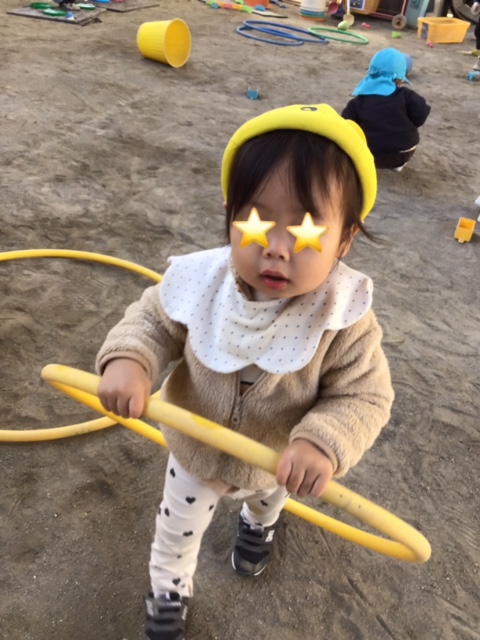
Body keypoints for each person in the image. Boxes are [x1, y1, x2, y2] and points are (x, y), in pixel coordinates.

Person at [95, 103, 395, 640]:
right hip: (195, 449)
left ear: (345, 239)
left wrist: (322, 443)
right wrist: (130, 360)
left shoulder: (343, 318)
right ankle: (168, 590)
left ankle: (259, 526)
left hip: (278, 460)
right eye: (256, 221)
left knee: (266, 500)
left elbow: (365, 396)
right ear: (230, 214)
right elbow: (153, 319)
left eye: (307, 229)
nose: (276, 248)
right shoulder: (202, 281)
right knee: (175, 531)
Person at [342, 48, 431, 171]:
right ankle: (397, 165)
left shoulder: (358, 102)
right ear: (400, 79)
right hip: (404, 151)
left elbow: (345, 126)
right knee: (408, 141)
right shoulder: (406, 95)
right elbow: (420, 114)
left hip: (371, 155)